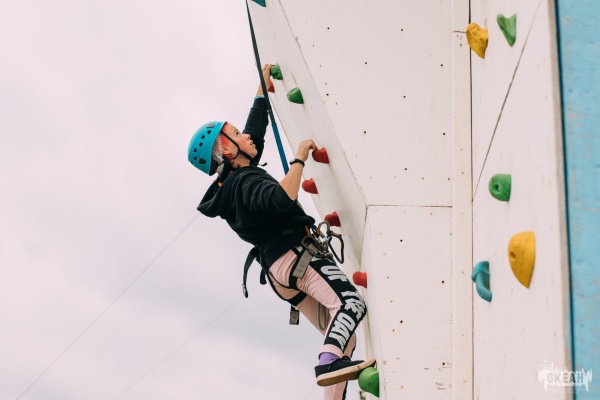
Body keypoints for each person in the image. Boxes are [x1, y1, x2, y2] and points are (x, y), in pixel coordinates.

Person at [188, 64, 375, 400]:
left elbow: (254, 132)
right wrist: (299, 159)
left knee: (342, 334)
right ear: (227, 150)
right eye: (237, 134)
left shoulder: (234, 182)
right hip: (295, 256)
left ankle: (332, 376)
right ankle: (327, 363)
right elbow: (281, 198)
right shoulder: (246, 181)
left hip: (280, 271)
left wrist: (262, 89)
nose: (246, 136)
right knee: (350, 303)